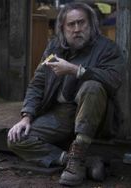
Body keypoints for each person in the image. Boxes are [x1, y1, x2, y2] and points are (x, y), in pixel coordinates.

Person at [7, 2, 124, 186]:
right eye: (71, 24)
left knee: (92, 86)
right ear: (62, 28)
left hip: (95, 116)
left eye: (81, 23)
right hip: (61, 115)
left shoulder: (107, 48)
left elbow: (113, 80)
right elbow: (37, 84)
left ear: (91, 25)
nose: (77, 29)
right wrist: (26, 116)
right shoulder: (54, 48)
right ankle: (74, 160)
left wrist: (76, 70)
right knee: (16, 139)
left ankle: (77, 161)